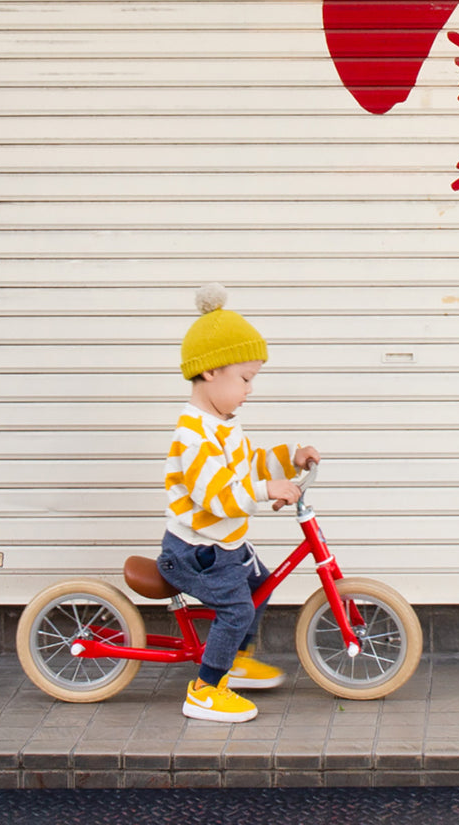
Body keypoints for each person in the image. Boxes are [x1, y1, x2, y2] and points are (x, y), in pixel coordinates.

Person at [156, 284, 320, 723]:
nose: (249, 389)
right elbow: (220, 495)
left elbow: (250, 463)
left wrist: (290, 456)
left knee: (259, 586)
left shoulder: (224, 425)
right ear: (211, 372)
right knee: (237, 608)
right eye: (244, 379)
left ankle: (236, 660)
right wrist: (270, 491)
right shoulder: (192, 436)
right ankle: (205, 690)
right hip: (195, 553)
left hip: (223, 546)